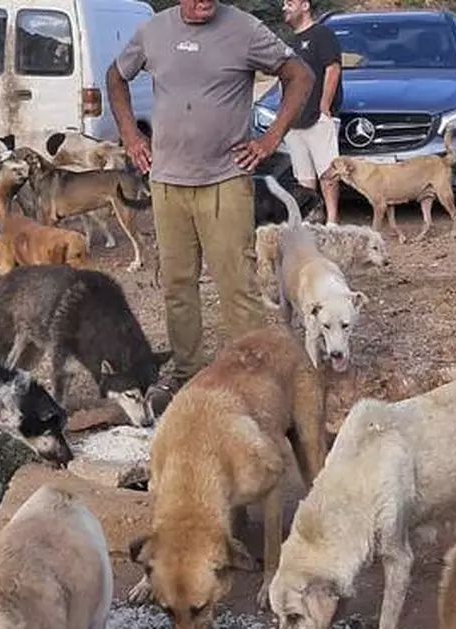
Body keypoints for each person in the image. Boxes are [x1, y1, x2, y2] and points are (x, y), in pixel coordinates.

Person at [107, 0, 314, 413]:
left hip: (225, 180)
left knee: (237, 286)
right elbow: (115, 77)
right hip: (167, 181)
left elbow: (300, 76)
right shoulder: (153, 31)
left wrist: (269, 139)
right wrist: (130, 135)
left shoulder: (246, 29)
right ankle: (187, 374)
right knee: (177, 287)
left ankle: (258, 378)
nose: (204, 2)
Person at [280, 0, 343, 224]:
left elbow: (333, 68)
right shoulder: (289, 42)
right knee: (304, 177)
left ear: (305, 5)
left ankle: (333, 221)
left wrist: (325, 105)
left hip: (317, 117)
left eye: (289, 3)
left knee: (327, 174)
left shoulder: (322, 34)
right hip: (294, 120)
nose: (284, 8)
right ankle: (312, 217)